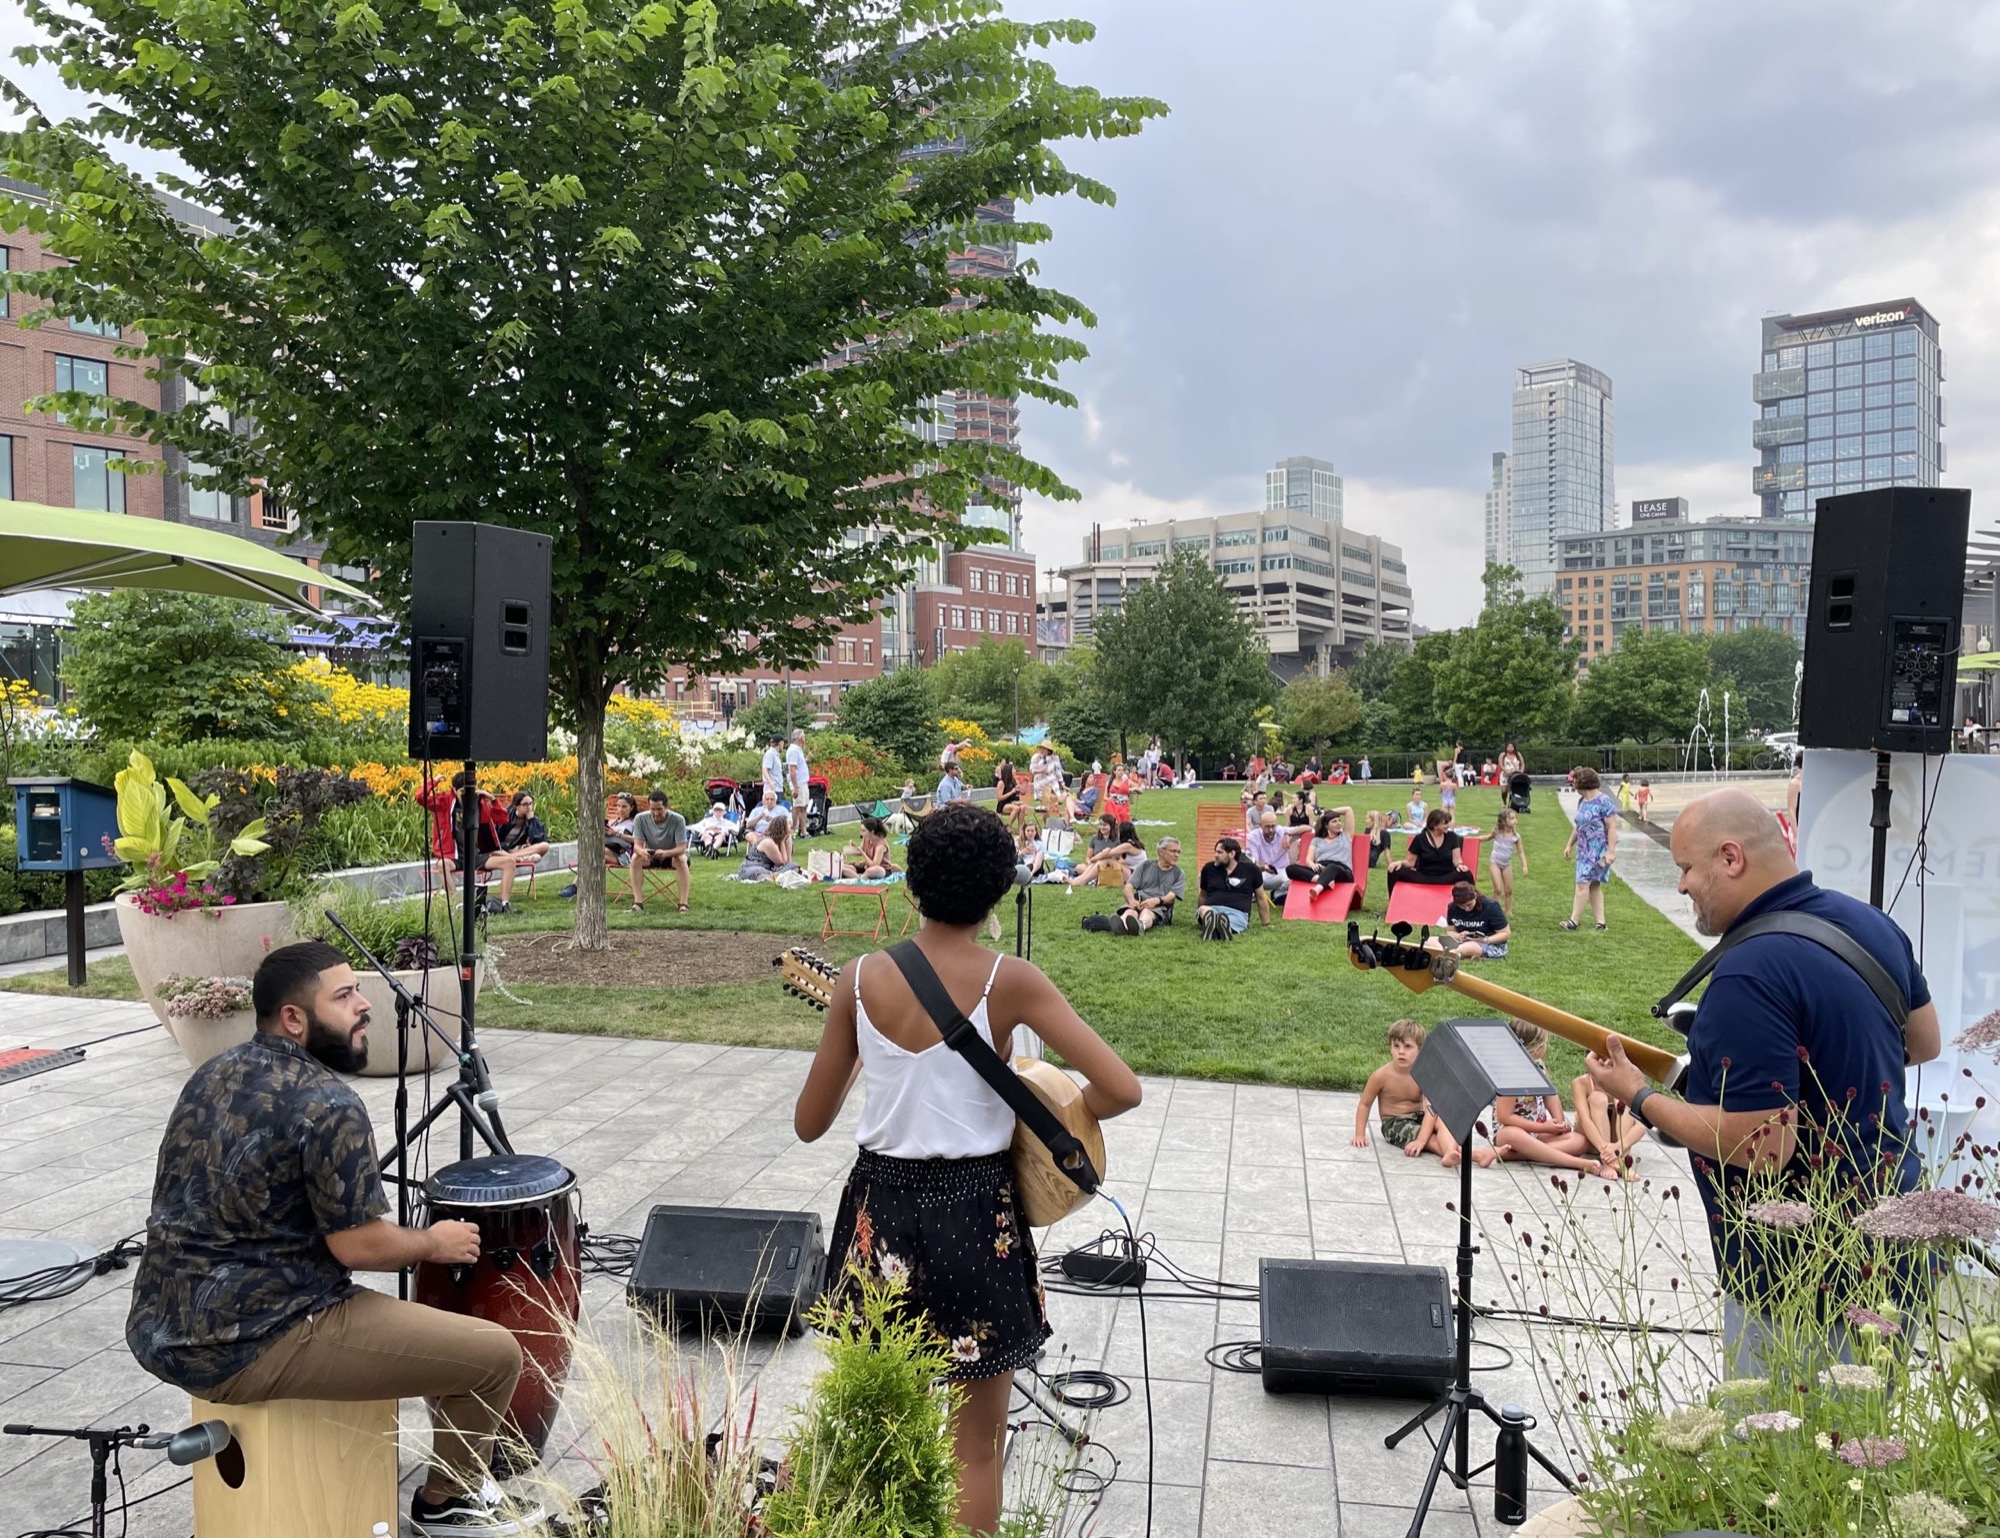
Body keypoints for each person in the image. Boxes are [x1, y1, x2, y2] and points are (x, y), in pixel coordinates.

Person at [792, 804, 1142, 1537]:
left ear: (910, 886)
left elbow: (809, 1122)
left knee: (875, 1420)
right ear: (998, 892)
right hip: (976, 1214)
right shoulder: (1012, 981)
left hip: (879, 1210)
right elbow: (1121, 1090)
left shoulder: (858, 978)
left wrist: (870, 1060)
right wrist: (1046, 1112)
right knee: (975, 1449)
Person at [125, 943, 536, 1538]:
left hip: (161, 1322)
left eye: (357, 990)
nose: (364, 1005)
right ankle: (449, 1503)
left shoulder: (213, 1073)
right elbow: (359, 1247)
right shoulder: (328, 1104)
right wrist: (433, 1243)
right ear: (294, 1018)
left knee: (428, 1339)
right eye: (343, 997)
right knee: (493, 1357)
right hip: (251, 1339)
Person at [1584, 787, 1940, 1372]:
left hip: (1801, 1279)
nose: (1681, 886)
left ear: (1731, 857)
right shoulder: (1870, 924)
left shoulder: (1748, 973)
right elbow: (1923, 1042)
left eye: (1685, 868)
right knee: (1866, 1429)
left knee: (1782, 1432)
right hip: (1894, 1255)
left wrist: (1638, 1095)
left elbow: (1764, 1146)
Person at [1492, 1019, 1610, 1177]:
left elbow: (1550, 1095)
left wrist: (1559, 1122)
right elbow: (1504, 1117)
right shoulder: (1510, 1075)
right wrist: (1543, 1128)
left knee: (1580, 1141)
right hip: (1511, 1133)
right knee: (1512, 1134)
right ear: (1537, 1048)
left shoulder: (1539, 1066)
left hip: (1538, 1133)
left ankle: (1516, 1155)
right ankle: (1575, 1163)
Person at [1351, 1019, 1466, 1166]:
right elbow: (1365, 1104)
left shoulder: (1425, 1075)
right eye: (1396, 1046)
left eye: (1407, 1047)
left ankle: (1451, 1152)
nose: (1401, 1052)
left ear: (1420, 1049)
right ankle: (1472, 1155)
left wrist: (1420, 1140)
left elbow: (1432, 1110)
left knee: (1443, 1122)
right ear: (1390, 1048)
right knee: (1430, 1139)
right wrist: (1359, 1135)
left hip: (1419, 1117)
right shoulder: (1381, 1076)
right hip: (1394, 1123)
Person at [1562, 766, 1619, 931]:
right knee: (1593, 885)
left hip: (1598, 852)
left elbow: (1612, 828)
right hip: (1583, 851)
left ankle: (1573, 921)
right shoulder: (1582, 802)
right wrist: (1569, 844)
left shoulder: (1604, 801)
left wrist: (1611, 851)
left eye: (1574, 782)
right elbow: (1579, 826)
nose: (1573, 785)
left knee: (1582, 884)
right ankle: (1601, 923)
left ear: (1582, 783)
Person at [482, 792, 548, 914]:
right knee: (530, 855)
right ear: (516, 806)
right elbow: (494, 841)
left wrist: (531, 820)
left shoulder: (531, 819)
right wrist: (510, 849)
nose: (528, 807)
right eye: (525, 804)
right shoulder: (505, 817)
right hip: (499, 851)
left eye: (530, 804)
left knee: (544, 846)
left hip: (516, 852)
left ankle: (517, 857)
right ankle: (521, 857)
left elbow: (538, 839)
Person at [629, 790, 690, 912]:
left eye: (659, 809)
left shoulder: (678, 820)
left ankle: (683, 904)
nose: (656, 813)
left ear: (666, 807)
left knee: (681, 859)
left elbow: (681, 848)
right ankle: (638, 903)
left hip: (672, 854)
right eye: (653, 809)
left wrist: (666, 853)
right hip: (651, 854)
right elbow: (637, 846)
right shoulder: (640, 819)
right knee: (635, 858)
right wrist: (642, 852)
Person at [1387, 808, 1469, 893]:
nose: (1448, 826)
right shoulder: (1420, 838)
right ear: (1435, 825)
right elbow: (1410, 862)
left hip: (1446, 877)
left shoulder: (1452, 837)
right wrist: (1399, 863)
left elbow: (1457, 860)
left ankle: (1473, 899)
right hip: (1424, 876)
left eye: (1448, 823)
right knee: (1393, 870)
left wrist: (1459, 865)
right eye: (1445, 823)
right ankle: (1393, 899)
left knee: (1466, 873)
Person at [1117, 836, 1184, 933]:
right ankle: (1121, 924)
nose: (1177, 855)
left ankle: (1141, 925)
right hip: (1139, 902)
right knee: (1130, 911)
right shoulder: (1145, 866)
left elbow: (1171, 896)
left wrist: (1157, 900)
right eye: (1173, 851)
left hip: (1160, 907)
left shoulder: (1178, 873)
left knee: (1147, 912)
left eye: (1178, 852)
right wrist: (1131, 900)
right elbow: (1128, 887)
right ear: (1161, 851)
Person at [1196, 836, 1260, 939]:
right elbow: (1203, 895)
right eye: (1215, 852)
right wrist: (1199, 915)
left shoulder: (1251, 870)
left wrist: (1266, 923)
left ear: (1232, 854)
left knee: (1225, 920)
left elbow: (1260, 898)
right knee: (1204, 909)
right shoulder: (1208, 868)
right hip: (1212, 909)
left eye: (1220, 852)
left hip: (1238, 913)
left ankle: (1216, 927)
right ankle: (1219, 927)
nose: (1215, 855)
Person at [1285, 806, 1356, 896]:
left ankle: (1317, 889)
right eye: (1334, 821)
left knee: (1332, 867)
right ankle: (1323, 879)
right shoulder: (1317, 840)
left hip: (1342, 870)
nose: (1338, 823)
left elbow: (1348, 810)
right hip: (1321, 869)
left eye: (1339, 820)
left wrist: (1326, 812)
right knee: (1290, 869)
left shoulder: (1345, 836)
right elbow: (1308, 860)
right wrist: (1313, 865)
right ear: (1326, 825)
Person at [1245, 809, 1304, 916]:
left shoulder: (1281, 831)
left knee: (1295, 877)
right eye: (1267, 827)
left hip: (1281, 872)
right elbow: (1253, 864)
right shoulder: (1252, 837)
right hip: (1261, 873)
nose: (1271, 830)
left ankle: (1278, 894)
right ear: (1260, 825)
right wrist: (1264, 867)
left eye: (1273, 826)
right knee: (1251, 876)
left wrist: (1287, 833)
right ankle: (1254, 895)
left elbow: (1308, 828)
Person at [1436, 880, 1510, 960]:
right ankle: (1445, 952)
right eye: (1461, 906)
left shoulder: (1491, 907)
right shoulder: (1452, 908)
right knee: (1433, 941)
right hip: (1463, 942)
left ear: (1475, 896)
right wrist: (1459, 936)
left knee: (1469, 947)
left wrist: (1485, 940)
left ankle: (1446, 954)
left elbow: (1505, 933)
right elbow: (1450, 931)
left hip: (1492, 944)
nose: (1466, 909)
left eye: (1469, 904)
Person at [1064, 814, 1138, 890]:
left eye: (1105, 825)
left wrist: (1098, 858)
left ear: (1111, 826)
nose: (1102, 827)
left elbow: (1116, 858)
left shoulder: (1118, 840)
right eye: (1100, 824)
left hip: (1111, 866)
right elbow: (1088, 857)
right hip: (1095, 865)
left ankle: (1082, 880)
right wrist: (1090, 862)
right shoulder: (1094, 838)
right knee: (1080, 867)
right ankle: (1080, 879)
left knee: (1102, 861)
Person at [737, 811, 797, 882]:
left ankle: (776, 876)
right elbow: (781, 863)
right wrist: (782, 841)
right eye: (788, 824)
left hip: (770, 868)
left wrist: (785, 840)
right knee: (762, 874)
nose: (791, 826)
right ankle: (774, 877)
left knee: (794, 867)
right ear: (782, 827)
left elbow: (788, 862)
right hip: (754, 867)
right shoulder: (768, 842)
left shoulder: (786, 838)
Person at [1487, 806, 1526, 906]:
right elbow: (1486, 838)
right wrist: (1474, 840)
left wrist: (1524, 866)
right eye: (1512, 818)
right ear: (1504, 821)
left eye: (1515, 818)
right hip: (1495, 862)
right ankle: (1496, 910)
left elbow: (1521, 852)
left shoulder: (1516, 837)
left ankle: (1508, 911)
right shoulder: (1498, 833)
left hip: (1506, 864)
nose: (1515, 820)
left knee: (1509, 890)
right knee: (1498, 889)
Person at [845, 816, 899, 880]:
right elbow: (859, 851)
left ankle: (859, 876)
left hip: (880, 870)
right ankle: (860, 876)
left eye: (863, 831)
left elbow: (874, 865)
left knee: (876, 870)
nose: (861, 833)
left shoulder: (881, 845)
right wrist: (851, 848)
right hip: (867, 868)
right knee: (845, 867)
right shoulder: (866, 838)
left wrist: (863, 853)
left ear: (872, 832)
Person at [603, 791, 639, 867]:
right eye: (618, 806)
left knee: (595, 849)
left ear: (632, 808)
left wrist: (617, 834)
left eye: (624, 807)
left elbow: (637, 839)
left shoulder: (634, 822)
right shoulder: (612, 822)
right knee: (589, 847)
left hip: (622, 854)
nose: (620, 809)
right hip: (608, 846)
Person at [994, 758, 1025, 829]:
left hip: (1012, 802)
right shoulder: (1001, 783)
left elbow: (1023, 792)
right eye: (1013, 769)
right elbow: (999, 798)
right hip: (1003, 805)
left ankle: (1020, 828)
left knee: (1022, 807)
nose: (1015, 771)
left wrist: (1020, 786)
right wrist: (1011, 792)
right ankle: (1008, 827)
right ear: (1009, 771)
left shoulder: (1014, 781)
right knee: (1016, 808)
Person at [786, 728, 811, 809]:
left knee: (804, 807)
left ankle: (803, 819)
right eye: (804, 736)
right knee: (799, 808)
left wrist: (806, 759)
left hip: (803, 783)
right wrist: (795, 787)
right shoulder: (793, 751)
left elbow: (798, 764)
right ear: (800, 738)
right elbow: (792, 769)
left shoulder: (798, 750)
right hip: (799, 784)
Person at [761, 733, 786, 799]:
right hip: (772, 790)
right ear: (780, 743)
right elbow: (765, 769)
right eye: (783, 743)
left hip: (778, 788)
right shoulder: (770, 754)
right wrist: (770, 782)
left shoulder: (776, 755)